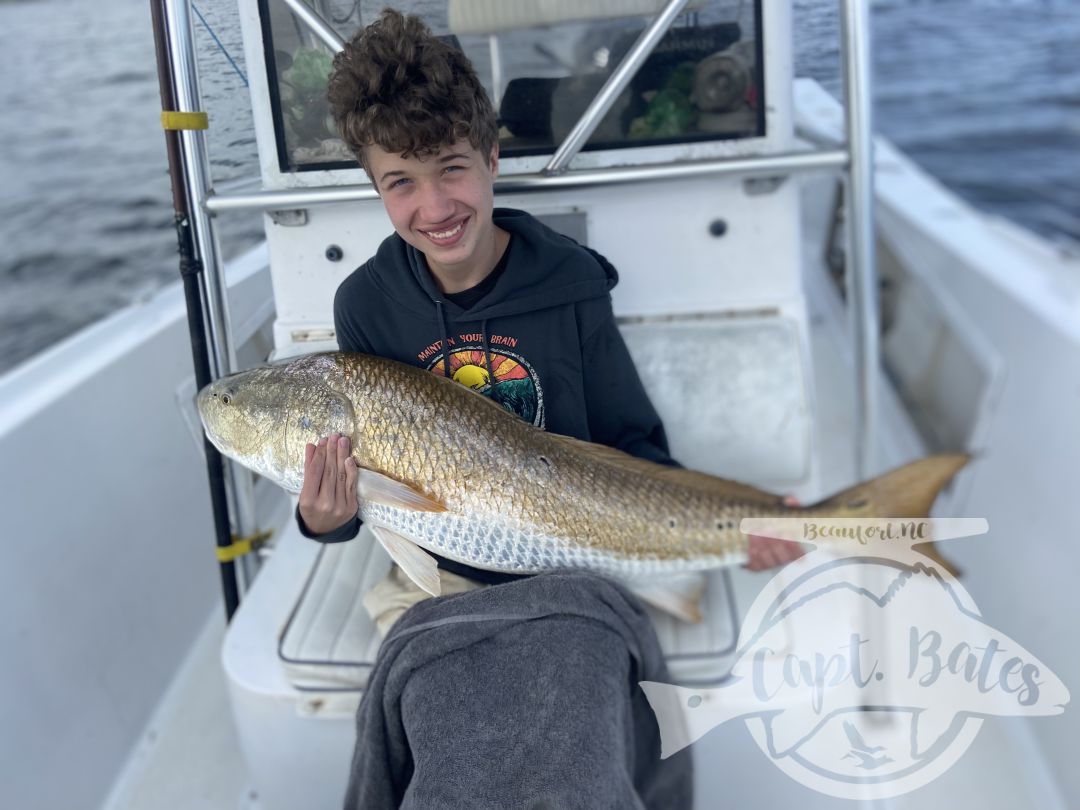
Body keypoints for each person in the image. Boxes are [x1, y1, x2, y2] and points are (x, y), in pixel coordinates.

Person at [294, 9, 800, 809]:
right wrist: (326, 518)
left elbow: (633, 446)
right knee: (453, 750)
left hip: (577, 566)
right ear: (375, 187)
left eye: (452, 168)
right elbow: (369, 493)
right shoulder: (366, 304)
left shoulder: (570, 281)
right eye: (401, 182)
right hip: (439, 584)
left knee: (569, 745)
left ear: (494, 157)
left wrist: (746, 521)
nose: (433, 206)